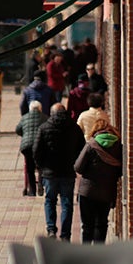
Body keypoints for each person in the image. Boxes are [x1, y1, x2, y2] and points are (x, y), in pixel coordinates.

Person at [33, 103, 85, 241]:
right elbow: (82, 149)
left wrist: (41, 166)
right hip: (68, 171)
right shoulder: (74, 128)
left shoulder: (44, 128)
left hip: (50, 173)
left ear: (51, 113)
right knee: (67, 203)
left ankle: (51, 229)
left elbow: (36, 151)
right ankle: (65, 234)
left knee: (50, 200)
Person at [74, 118, 124, 243]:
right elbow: (121, 170)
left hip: (88, 192)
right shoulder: (119, 146)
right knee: (101, 224)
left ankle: (86, 255)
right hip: (107, 192)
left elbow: (78, 167)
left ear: (95, 131)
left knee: (87, 225)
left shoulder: (91, 145)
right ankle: (99, 253)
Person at [14, 99, 48, 196]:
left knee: (29, 168)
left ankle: (32, 190)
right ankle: (41, 184)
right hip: (40, 146)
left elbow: (18, 130)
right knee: (41, 166)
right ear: (40, 108)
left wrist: (24, 134)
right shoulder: (45, 117)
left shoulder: (24, 117)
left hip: (27, 146)